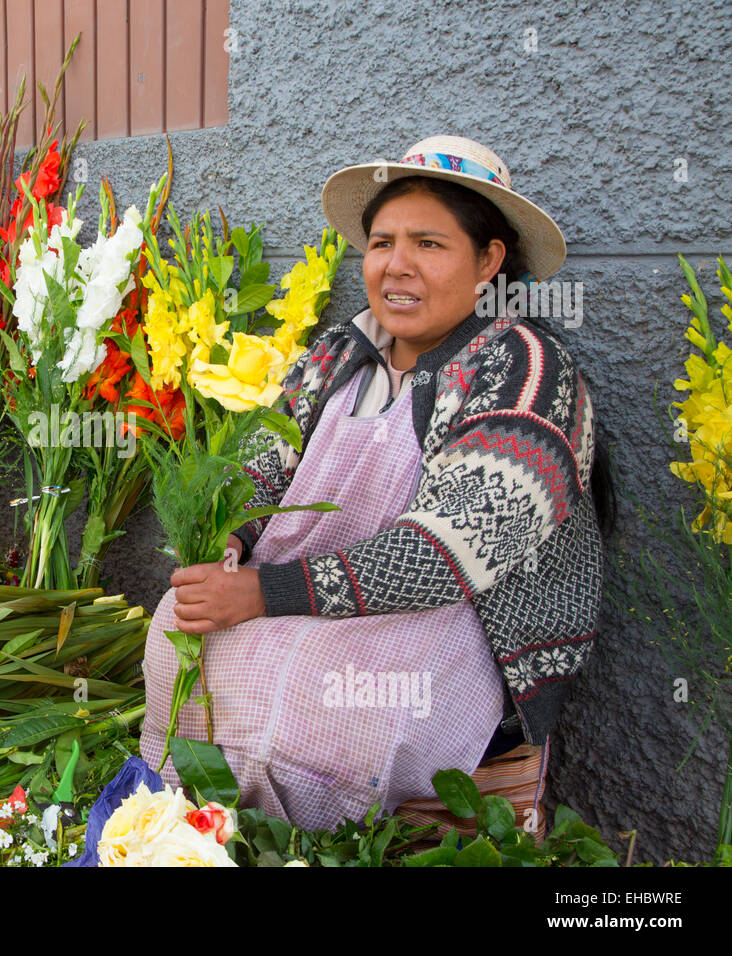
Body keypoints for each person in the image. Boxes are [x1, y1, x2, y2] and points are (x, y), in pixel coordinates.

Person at [139, 136, 612, 834]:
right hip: (306, 588)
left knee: (329, 691)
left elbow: (454, 549)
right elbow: (263, 467)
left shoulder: (526, 370)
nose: (397, 266)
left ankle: (311, 837)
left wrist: (266, 594)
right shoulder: (336, 355)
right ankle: (194, 831)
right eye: (383, 242)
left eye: (429, 244)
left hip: (457, 623)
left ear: (489, 261)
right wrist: (228, 541)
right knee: (175, 631)